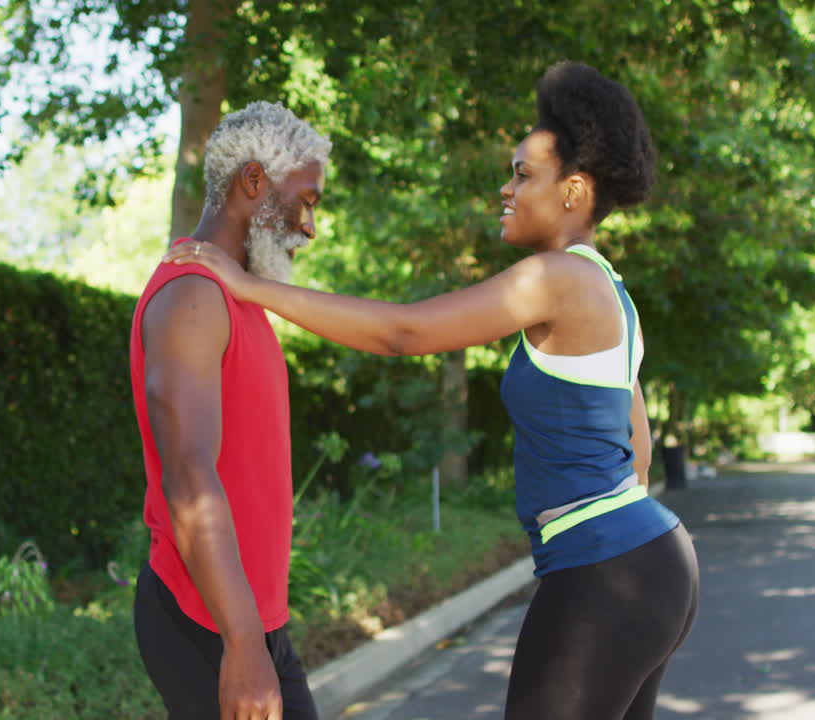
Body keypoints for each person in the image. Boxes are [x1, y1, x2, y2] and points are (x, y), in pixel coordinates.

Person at [164, 62, 700, 720]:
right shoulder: (613, 293)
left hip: (605, 573)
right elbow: (636, 453)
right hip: (659, 563)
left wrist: (253, 287)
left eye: (523, 175)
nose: (505, 190)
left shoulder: (555, 278)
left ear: (574, 191)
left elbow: (404, 332)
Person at [130, 100, 331, 720]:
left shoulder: (237, 294)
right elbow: (189, 479)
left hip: (245, 619)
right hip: (206, 622)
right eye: (308, 199)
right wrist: (242, 644)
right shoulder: (193, 296)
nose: (310, 226)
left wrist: (255, 634)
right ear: (253, 182)